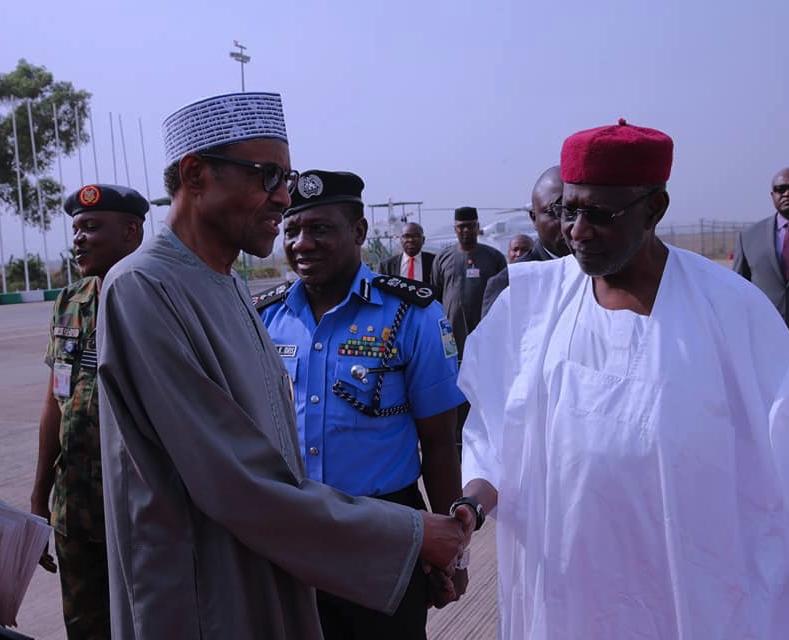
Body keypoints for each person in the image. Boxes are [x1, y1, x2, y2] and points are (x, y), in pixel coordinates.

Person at [95, 92, 467, 640]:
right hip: (205, 590)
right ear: (196, 175)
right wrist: (411, 535)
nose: (283, 199)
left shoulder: (229, 284)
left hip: (282, 560)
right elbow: (235, 479)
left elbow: (436, 436)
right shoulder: (143, 288)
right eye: (268, 176)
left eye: (285, 179)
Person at [455, 119, 789, 639]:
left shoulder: (730, 310)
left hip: (693, 591)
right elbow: (494, 435)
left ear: (655, 209)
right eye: (568, 211)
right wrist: (470, 507)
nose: (577, 232)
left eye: (599, 214)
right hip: (567, 594)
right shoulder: (532, 307)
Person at [258, 170, 467, 639]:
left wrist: (453, 552)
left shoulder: (410, 314)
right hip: (290, 530)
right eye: (292, 231)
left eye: (320, 229)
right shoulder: (266, 318)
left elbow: (438, 443)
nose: (302, 243)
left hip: (385, 530)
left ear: (358, 231)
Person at [30, 184, 147, 640]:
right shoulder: (70, 302)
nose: (78, 238)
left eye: (92, 228)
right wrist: (40, 499)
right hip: (76, 509)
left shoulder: (154, 299)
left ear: (131, 233)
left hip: (140, 510)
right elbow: (54, 401)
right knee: (85, 627)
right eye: (76, 228)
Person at [733, 166, 789, 357]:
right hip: (766, 342)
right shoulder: (749, 237)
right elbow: (737, 290)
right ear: (772, 195)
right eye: (781, 189)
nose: (787, 193)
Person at [481, 166, 571, 316]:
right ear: (534, 218)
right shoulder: (509, 283)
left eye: (574, 211)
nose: (568, 223)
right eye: (556, 212)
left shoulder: (600, 270)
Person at [430, 206, 506, 359]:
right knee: (453, 372)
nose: (466, 230)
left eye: (470, 226)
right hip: (451, 332)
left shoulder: (494, 257)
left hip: (486, 330)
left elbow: (504, 297)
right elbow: (435, 296)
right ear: (455, 229)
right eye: (461, 226)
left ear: (477, 227)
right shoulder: (443, 258)